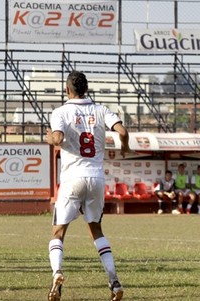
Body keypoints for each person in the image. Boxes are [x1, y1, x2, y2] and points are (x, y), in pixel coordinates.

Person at [45, 70, 127, 301]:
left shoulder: (60, 111)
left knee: (58, 232)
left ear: (67, 90)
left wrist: (50, 138)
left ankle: (57, 274)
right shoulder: (101, 110)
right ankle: (114, 281)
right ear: (87, 89)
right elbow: (122, 130)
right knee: (96, 230)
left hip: (72, 178)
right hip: (96, 178)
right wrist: (126, 145)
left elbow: (59, 139)